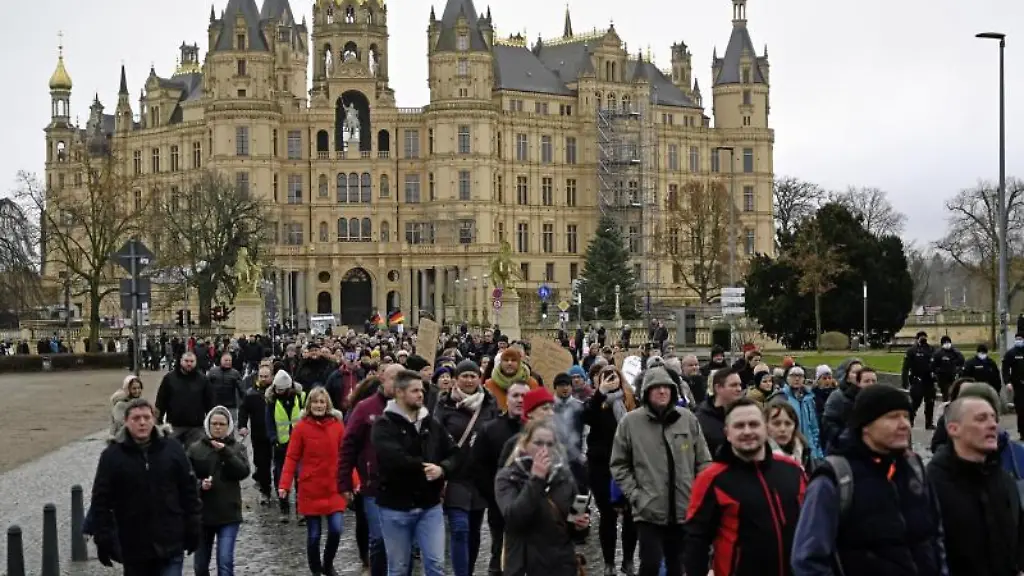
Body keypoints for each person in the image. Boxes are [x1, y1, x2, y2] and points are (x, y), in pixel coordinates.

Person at [791, 385, 946, 576]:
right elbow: (809, 559)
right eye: (893, 417)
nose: (905, 424)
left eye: (906, 416)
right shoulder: (836, 478)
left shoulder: (913, 468)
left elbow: (934, 537)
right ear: (866, 425)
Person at [683, 397, 806, 576]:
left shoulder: (792, 470)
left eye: (754, 424)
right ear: (727, 432)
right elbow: (695, 541)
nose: (747, 431)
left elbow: (812, 526)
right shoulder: (712, 479)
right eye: (739, 426)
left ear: (765, 428)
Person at [610, 366, 712, 576]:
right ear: (646, 392)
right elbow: (619, 464)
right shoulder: (630, 423)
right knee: (650, 564)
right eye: (656, 388)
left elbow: (703, 461)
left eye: (666, 387)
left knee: (678, 565)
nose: (662, 392)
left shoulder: (688, 419)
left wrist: (699, 494)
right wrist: (635, 494)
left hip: (684, 507)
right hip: (649, 509)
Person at [90, 398, 202, 576]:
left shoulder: (172, 449)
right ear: (126, 422)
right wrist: (103, 537)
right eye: (136, 418)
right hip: (133, 544)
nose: (142, 422)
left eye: (146, 417)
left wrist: (194, 524)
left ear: (154, 420)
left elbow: (188, 489)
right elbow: (101, 499)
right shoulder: (112, 456)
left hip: (170, 538)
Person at [371, 369, 460, 576]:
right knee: (399, 568)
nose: (421, 394)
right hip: (395, 507)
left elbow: (455, 453)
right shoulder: (383, 424)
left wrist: (443, 469)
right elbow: (395, 460)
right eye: (415, 390)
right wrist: (425, 467)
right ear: (400, 393)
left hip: (430, 506)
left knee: (436, 565)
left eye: (422, 390)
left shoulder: (431, 422)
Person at [927, 396, 1024, 576]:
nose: (992, 425)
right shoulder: (931, 484)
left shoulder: (1003, 479)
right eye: (981, 419)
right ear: (953, 429)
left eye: (994, 418)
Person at [495, 419, 591, 576]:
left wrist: (581, 526)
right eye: (538, 443)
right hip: (525, 565)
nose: (544, 449)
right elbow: (514, 518)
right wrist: (536, 479)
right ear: (525, 445)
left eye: (549, 444)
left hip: (561, 565)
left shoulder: (564, 477)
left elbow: (572, 532)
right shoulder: (508, 477)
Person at [433, 359, 500, 576]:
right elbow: (435, 439)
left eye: (473, 376)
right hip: (455, 476)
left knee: (473, 532)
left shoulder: (489, 404)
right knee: (460, 529)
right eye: (465, 376)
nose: (469, 380)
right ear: (456, 379)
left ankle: (468, 570)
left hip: (479, 478)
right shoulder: (444, 405)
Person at [278, 387, 349, 576]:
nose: (319, 405)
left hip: (333, 487)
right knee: (314, 535)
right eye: (315, 402)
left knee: (336, 529)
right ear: (309, 404)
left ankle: (328, 564)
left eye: (322, 402)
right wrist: (284, 484)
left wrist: (354, 480)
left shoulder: (337, 425)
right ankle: (316, 570)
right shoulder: (301, 428)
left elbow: (345, 455)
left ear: (327, 404)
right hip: (311, 488)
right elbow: (292, 457)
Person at [585, 365, 638, 576]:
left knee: (631, 514)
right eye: (605, 377)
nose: (610, 379)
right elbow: (587, 416)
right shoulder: (596, 402)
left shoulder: (631, 401)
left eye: (613, 375)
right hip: (602, 465)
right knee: (607, 514)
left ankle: (628, 560)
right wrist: (601, 393)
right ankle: (609, 563)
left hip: (629, 465)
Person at [473, 381, 531, 576]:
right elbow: (478, 466)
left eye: (524, 396)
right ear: (507, 399)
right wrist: (494, 496)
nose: (520, 400)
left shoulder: (540, 430)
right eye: (516, 396)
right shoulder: (490, 429)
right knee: (500, 553)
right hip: (500, 505)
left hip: (533, 505)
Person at [187, 406, 251, 576]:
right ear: (208, 424)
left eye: (222, 424)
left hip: (229, 514)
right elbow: (185, 479)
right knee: (200, 567)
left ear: (228, 426)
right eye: (214, 423)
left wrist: (225, 452)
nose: (217, 427)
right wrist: (200, 484)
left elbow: (243, 472)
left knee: (225, 564)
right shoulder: (195, 448)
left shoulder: (237, 448)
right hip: (202, 516)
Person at [266, 369, 307, 522]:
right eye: (278, 389)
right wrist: (273, 439)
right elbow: (269, 422)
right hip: (280, 445)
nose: (279, 392)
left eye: (282, 389)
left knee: (300, 476)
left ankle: (300, 508)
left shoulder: (300, 397)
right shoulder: (271, 401)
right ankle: (284, 507)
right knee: (280, 476)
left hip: (299, 443)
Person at [155, 351, 215, 448]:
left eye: (192, 361)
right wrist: (159, 420)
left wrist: (211, 424)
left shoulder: (203, 380)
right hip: (174, 426)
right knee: (172, 453)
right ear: (181, 361)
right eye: (186, 361)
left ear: (196, 362)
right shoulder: (169, 378)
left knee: (195, 456)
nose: (189, 364)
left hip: (196, 427)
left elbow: (210, 402)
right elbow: (161, 400)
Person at [237, 365, 274, 503]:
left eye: (266, 376)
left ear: (272, 377)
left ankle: (280, 490)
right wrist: (242, 425)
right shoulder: (251, 393)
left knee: (276, 464)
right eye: (261, 376)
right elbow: (243, 410)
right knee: (262, 463)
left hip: (276, 434)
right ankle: (265, 491)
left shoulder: (276, 392)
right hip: (259, 435)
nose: (264, 379)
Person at [902, 331, 938, 429]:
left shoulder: (931, 349)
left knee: (930, 402)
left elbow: (936, 363)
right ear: (917, 338)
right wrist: (905, 381)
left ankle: (929, 423)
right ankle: (910, 419)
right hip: (917, 379)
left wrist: (936, 376)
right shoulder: (912, 350)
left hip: (929, 380)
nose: (923, 338)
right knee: (915, 402)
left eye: (924, 337)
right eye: (921, 337)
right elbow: (905, 367)